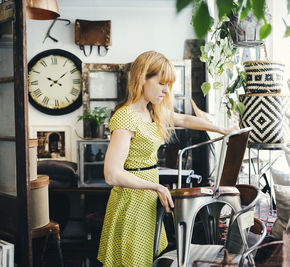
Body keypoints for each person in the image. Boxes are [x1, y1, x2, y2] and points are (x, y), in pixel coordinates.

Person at [97, 51, 235, 266]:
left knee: (149, 258)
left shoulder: (152, 112)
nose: (166, 90)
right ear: (142, 78)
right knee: (134, 260)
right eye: (161, 83)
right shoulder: (125, 116)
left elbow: (185, 119)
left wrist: (221, 129)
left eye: (168, 84)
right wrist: (157, 188)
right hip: (131, 201)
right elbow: (112, 174)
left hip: (147, 199)